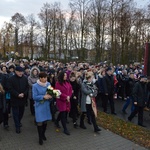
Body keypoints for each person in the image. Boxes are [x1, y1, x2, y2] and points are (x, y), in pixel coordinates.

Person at [32, 72, 52, 145]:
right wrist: (43, 97)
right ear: (40, 78)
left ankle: (43, 133)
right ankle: (40, 137)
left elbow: (51, 93)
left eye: (46, 77)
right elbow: (34, 97)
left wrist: (51, 95)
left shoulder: (48, 84)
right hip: (39, 106)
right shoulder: (35, 86)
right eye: (44, 77)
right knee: (40, 122)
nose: (45, 79)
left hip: (46, 105)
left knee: (45, 122)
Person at [8, 66, 29, 133]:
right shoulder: (11, 79)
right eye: (19, 72)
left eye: (22, 72)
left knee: (21, 113)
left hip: (22, 99)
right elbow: (10, 89)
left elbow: (27, 87)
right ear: (16, 71)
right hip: (15, 99)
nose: (21, 73)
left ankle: (18, 121)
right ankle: (17, 126)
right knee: (15, 113)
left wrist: (24, 93)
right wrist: (17, 94)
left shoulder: (25, 78)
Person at [55, 71, 72, 135]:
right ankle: (65, 128)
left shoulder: (67, 82)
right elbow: (58, 92)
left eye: (66, 75)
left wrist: (69, 96)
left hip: (67, 100)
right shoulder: (58, 83)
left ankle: (56, 121)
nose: (66, 76)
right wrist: (66, 97)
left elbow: (70, 89)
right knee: (63, 114)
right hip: (61, 101)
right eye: (64, 75)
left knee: (64, 112)